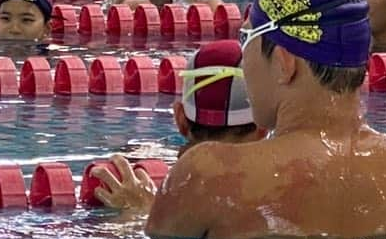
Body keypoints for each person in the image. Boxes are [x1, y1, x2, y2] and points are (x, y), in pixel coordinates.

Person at [104, 0, 386, 239]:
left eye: (246, 39)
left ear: (284, 62)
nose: (243, 61)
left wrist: (138, 214)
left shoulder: (211, 173)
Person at [93, 40, 264, 211]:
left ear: (180, 118)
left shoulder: (143, 161)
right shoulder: (276, 187)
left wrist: (140, 212)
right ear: (263, 127)